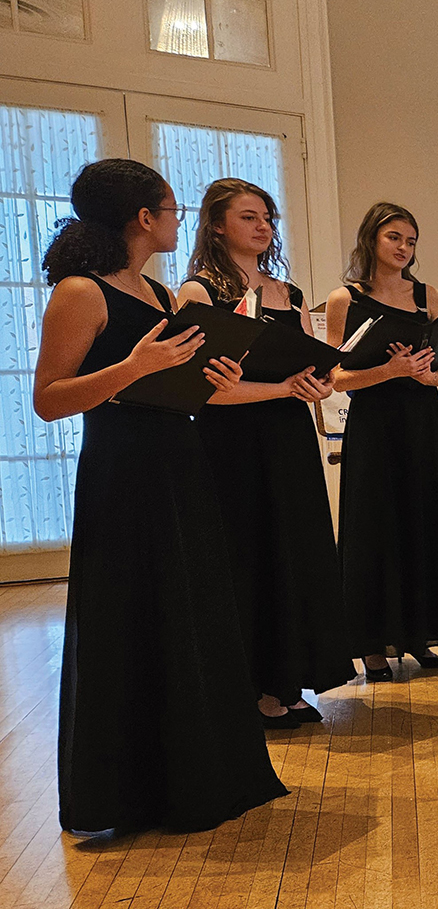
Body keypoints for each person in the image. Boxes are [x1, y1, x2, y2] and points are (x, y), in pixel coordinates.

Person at [34, 158, 286, 833]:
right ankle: (129, 795)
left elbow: (182, 390)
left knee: (190, 613)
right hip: (122, 471)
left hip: (181, 461)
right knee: (129, 618)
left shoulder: (158, 293)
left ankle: (198, 777)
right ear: (143, 218)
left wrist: (220, 375)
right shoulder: (80, 293)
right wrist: (133, 367)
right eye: (172, 211)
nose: (178, 222)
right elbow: (49, 400)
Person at [178, 178, 356, 727]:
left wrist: (317, 386)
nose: (263, 227)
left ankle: (288, 680)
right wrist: (285, 389)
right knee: (247, 558)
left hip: (287, 439)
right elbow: (203, 388)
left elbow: (314, 370)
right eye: (250, 217)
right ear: (216, 225)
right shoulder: (199, 293)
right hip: (230, 443)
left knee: (294, 554)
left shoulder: (290, 293)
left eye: (268, 218)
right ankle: (252, 690)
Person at [325, 202, 438, 679]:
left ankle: (420, 635)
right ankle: (371, 644)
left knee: (424, 524)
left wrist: (429, 376)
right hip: (374, 425)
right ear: (372, 239)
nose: (404, 248)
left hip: (422, 423)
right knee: (375, 528)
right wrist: (389, 370)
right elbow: (336, 377)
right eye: (395, 238)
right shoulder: (345, 299)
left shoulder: (430, 296)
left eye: (411, 240)